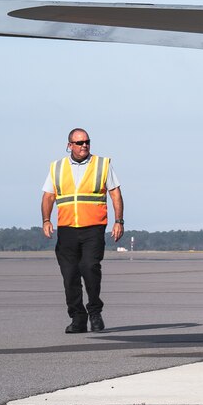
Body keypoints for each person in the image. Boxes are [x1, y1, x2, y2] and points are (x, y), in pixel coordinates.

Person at [41, 129, 123, 334]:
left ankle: (95, 312)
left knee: (89, 267)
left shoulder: (102, 165)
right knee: (69, 276)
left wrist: (118, 221)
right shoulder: (57, 167)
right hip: (67, 229)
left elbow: (115, 193)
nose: (84, 145)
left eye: (87, 142)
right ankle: (77, 318)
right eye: (79, 143)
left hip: (93, 228)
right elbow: (48, 196)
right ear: (69, 145)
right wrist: (46, 220)